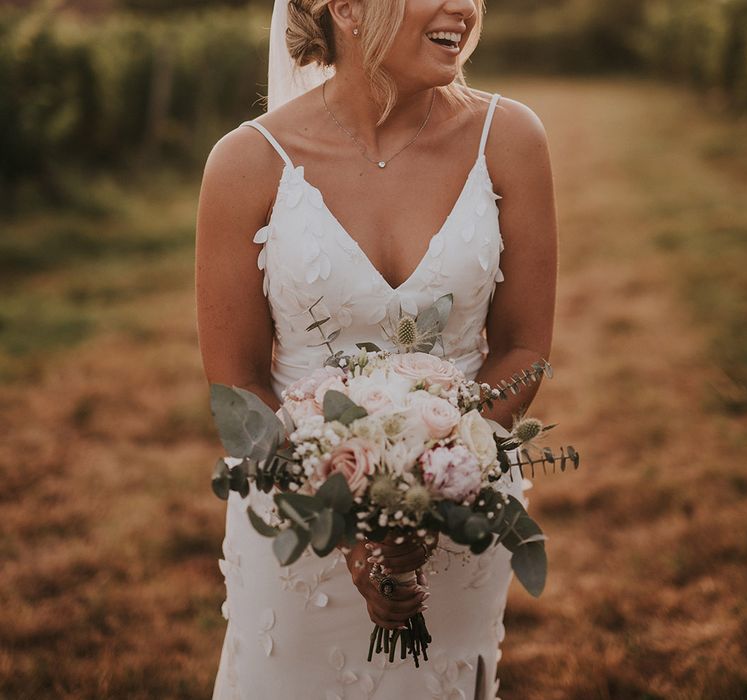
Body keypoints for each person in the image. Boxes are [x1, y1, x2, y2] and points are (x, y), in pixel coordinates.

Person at [195, 0, 558, 696]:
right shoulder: (245, 162)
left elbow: (523, 347)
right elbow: (238, 387)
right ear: (348, 8)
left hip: (458, 521)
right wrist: (344, 517)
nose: (466, 8)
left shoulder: (509, 137)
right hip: (295, 521)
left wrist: (437, 482)